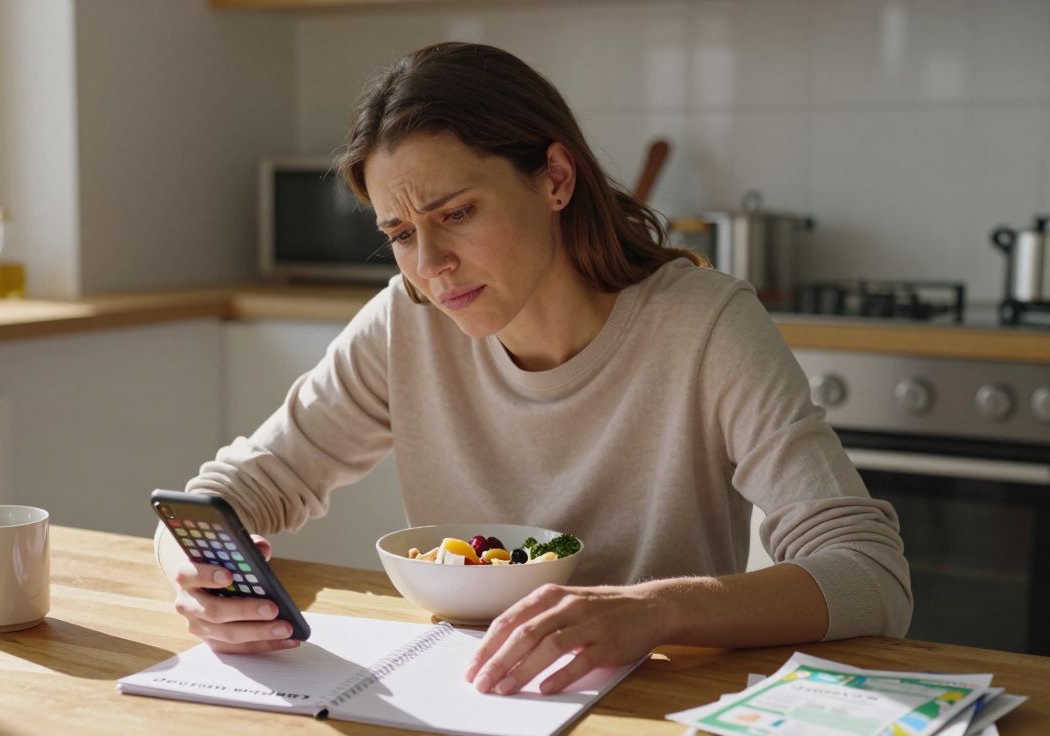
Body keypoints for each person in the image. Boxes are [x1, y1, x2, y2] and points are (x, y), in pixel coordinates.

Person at [155, 41, 911, 696]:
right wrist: (193, 568)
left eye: (455, 213)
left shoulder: (705, 325)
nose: (431, 265)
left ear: (554, 177)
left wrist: (653, 609)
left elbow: (869, 574)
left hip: (656, 704)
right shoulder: (407, 319)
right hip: (469, 695)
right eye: (399, 233)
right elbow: (237, 488)